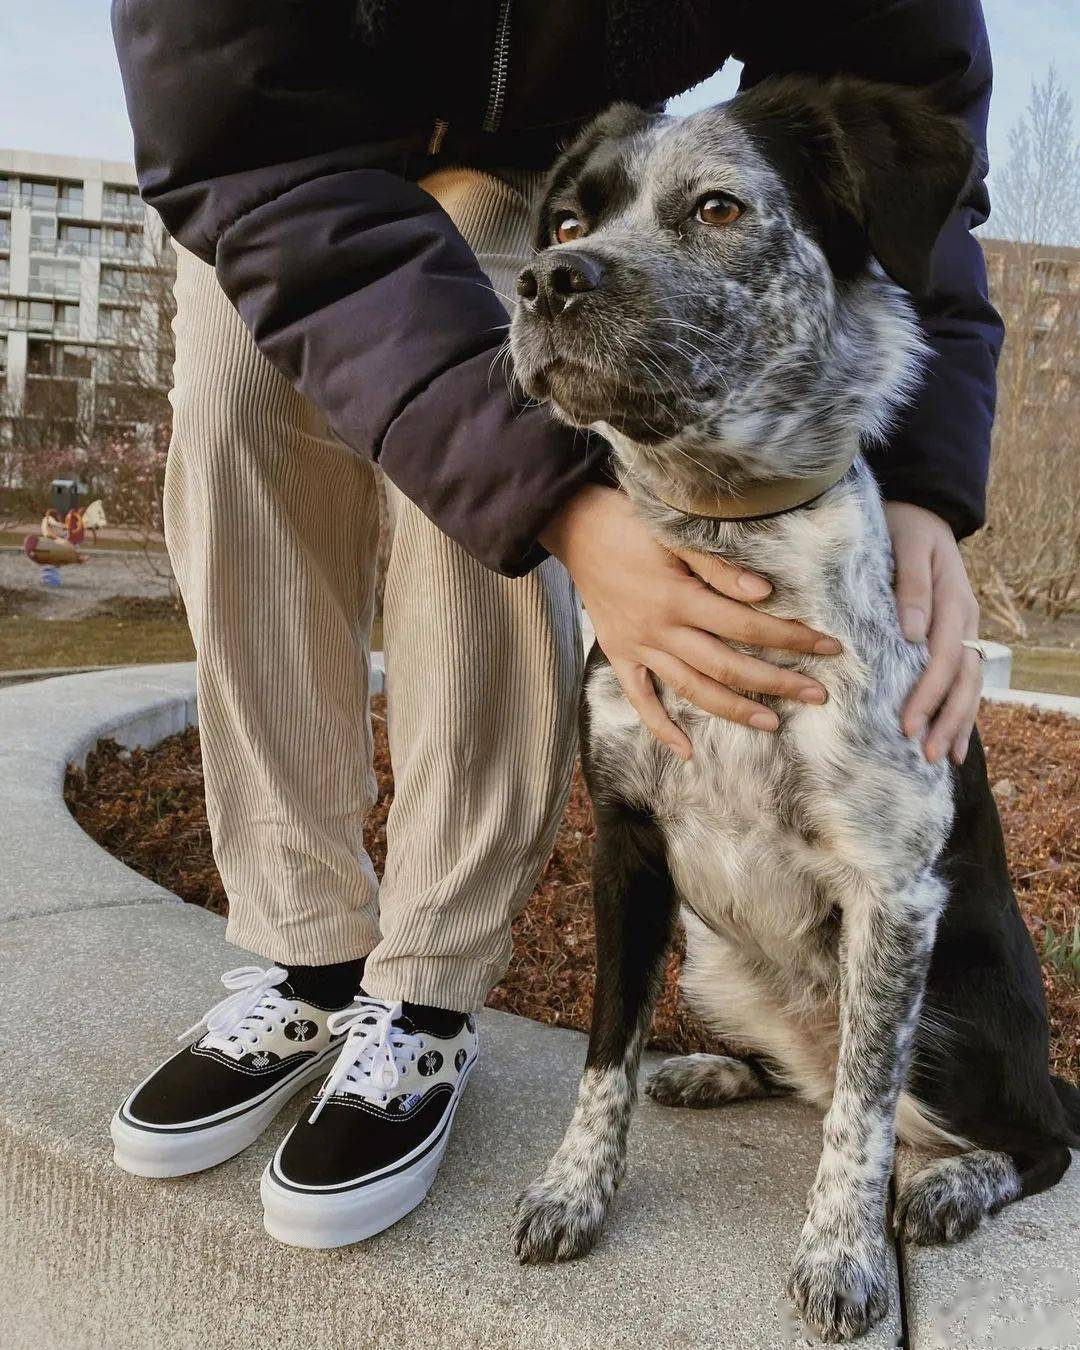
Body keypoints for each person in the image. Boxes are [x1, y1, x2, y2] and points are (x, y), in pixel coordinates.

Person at [108, 0, 999, 1249]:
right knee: (233, 343)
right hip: (289, 158)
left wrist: (922, 479)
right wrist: (560, 504)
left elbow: (902, 102)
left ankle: (424, 987)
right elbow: (234, 139)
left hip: (548, 166)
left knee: (485, 241)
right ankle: (300, 956)